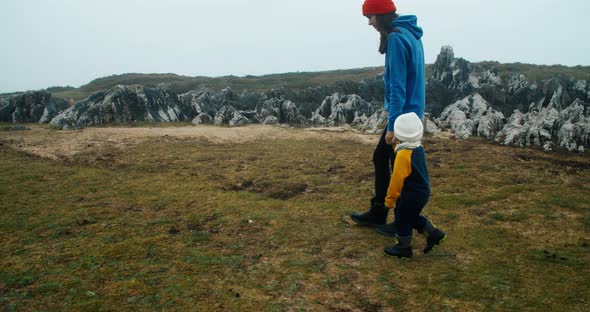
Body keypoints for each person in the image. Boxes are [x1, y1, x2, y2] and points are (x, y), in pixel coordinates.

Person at [350, 0, 445, 256]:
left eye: (371, 17)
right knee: (386, 161)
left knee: (396, 168)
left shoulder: (396, 39)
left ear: (382, 15)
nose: (369, 22)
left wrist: (392, 126)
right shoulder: (410, 34)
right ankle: (384, 212)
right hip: (412, 114)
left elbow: (397, 88)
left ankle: (400, 221)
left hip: (402, 118)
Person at [380, 112, 446, 259]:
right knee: (412, 215)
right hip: (422, 191)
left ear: (398, 133)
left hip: (411, 194)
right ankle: (434, 234)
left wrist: (389, 200)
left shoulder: (403, 156)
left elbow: (396, 181)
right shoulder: (417, 148)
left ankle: (403, 247)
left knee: (402, 218)